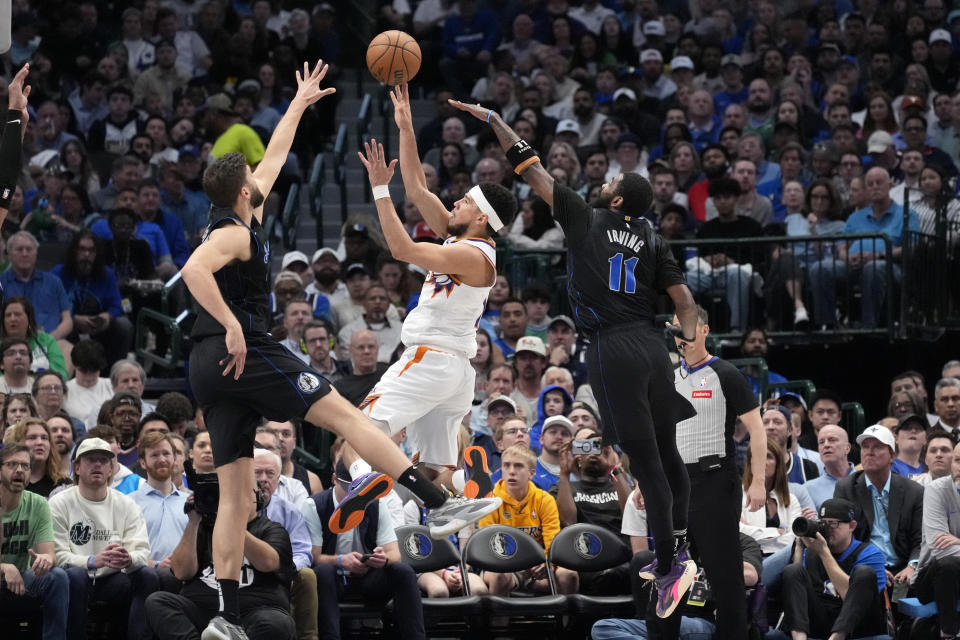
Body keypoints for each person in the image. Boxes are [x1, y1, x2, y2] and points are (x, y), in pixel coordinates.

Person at [182, 62, 500, 640]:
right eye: (254, 175)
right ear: (245, 189)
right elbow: (192, 271)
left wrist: (300, 103)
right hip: (246, 349)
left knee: (232, 499)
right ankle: (436, 499)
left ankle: (224, 618)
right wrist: (230, 322)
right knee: (349, 418)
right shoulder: (231, 231)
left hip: (207, 368)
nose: (263, 174)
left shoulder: (233, 208)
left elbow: (275, 156)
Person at [452, 87, 706, 618]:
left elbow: (529, 165)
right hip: (654, 345)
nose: (602, 183)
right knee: (670, 456)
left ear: (615, 201)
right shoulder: (655, 240)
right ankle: (680, 548)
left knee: (645, 463)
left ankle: (668, 566)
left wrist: (497, 119)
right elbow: (685, 302)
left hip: (613, 347)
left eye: (610, 182)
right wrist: (691, 347)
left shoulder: (585, 216)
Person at [144, 482, 297, 640]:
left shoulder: (272, 529)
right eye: (228, 494)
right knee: (157, 602)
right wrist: (193, 522)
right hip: (202, 609)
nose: (233, 499)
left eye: (240, 493)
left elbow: (268, 563)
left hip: (254, 611)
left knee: (277, 623)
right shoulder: (204, 528)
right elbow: (181, 572)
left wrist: (232, 524)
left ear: (257, 499)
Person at [48, 437, 158, 640]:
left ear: (111, 469)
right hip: (75, 579)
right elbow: (56, 555)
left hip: (113, 579)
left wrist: (129, 559)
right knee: (75, 576)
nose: (98, 464)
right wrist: (91, 561)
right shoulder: (59, 503)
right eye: (90, 459)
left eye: (104, 460)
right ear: (77, 467)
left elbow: (142, 550)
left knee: (147, 576)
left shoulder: (126, 504)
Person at [834, 425, 924, 598]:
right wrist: (873, 563)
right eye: (865, 446)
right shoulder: (846, 488)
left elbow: (920, 539)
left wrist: (912, 566)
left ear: (892, 456)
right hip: (865, 565)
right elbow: (843, 538)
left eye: (878, 447)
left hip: (903, 566)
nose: (870, 451)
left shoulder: (914, 491)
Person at [478, 444, 579, 596]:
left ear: (531, 473)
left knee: (569, 574)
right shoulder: (489, 501)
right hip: (502, 566)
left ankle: (569, 620)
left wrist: (548, 562)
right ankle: (497, 620)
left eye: (518, 466)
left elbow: (553, 540)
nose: (511, 471)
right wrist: (514, 565)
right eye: (507, 465)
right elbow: (487, 546)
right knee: (499, 576)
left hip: (537, 567)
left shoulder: (544, 499)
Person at [781, 498, 889, 640]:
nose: (826, 529)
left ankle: (837, 637)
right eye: (822, 523)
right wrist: (800, 548)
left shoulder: (870, 553)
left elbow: (850, 597)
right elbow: (796, 589)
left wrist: (824, 553)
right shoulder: (813, 549)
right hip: (821, 618)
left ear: (851, 526)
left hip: (856, 627)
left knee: (864, 572)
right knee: (792, 570)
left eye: (833, 524)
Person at [0, 442, 70, 640]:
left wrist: (46, 559)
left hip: (22, 581)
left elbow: (49, 553)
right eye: (12, 464)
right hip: (5, 577)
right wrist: (5, 567)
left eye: (25, 466)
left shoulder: (38, 504)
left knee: (57, 576)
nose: (19, 470)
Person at [253, 447, 318, 640]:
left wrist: (285, 570)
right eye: (257, 472)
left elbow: (303, 552)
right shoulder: (233, 506)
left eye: (270, 473)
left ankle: (308, 637)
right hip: (243, 572)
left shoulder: (288, 510)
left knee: (307, 575)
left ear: (279, 478)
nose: (264, 478)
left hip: (283, 573)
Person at [912, 441, 960, 640]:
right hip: (931, 578)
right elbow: (941, 550)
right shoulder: (936, 490)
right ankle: (948, 633)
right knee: (948, 563)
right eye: (957, 460)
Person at [129, 432, 188, 572]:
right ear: (143, 462)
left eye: (166, 454)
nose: (162, 459)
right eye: (154, 455)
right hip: (144, 576)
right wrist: (154, 564)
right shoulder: (129, 502)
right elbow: (123, 550)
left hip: (185, 577)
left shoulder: (189, 502)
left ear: (174, 458)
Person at [5, 417, 70, 498]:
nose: (40, 442)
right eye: (32, 437)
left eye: (44, 438)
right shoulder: (5, 484)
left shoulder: (64, 487)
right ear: (18, 444)